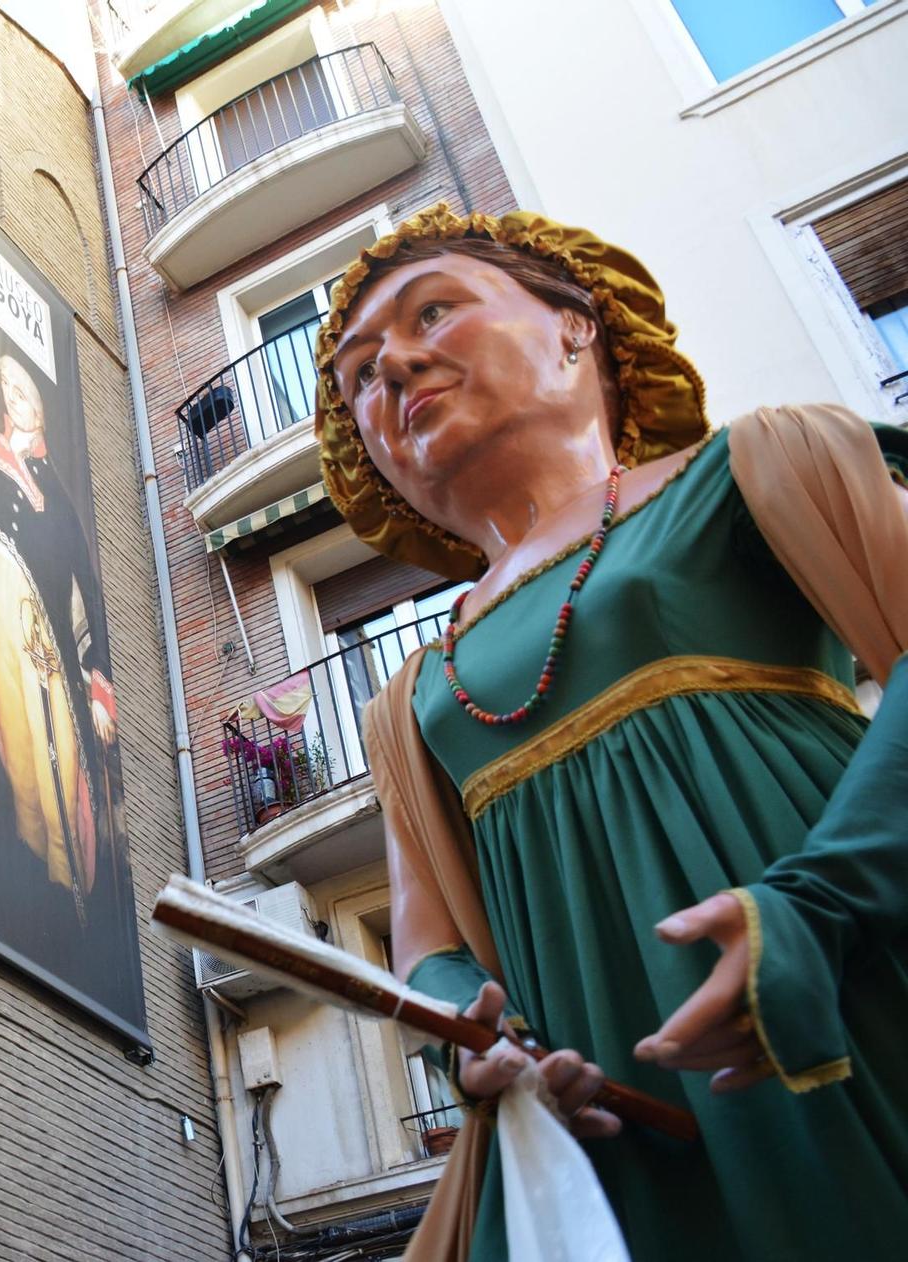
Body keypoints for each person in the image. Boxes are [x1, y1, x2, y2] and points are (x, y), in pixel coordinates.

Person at [314, 205, 908, 1259]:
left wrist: (819, 903)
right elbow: (427, 941)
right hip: (609, 1130)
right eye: (359, 372)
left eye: (432, 312)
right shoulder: (406, 696)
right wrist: (481, 1041)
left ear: (575, 324)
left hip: (843, 992)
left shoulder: (754, 468)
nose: (391, 369)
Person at [0, 353, 120, 922]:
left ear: (40, 410)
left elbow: (90, 591)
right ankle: (26, 855)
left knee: (58, 754)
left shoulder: (59, 495)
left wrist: (100, 689)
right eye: (8, 391)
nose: (14, 400)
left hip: (48, 648)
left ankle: (65, 880)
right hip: (3, 633)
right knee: (18, 745)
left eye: (23, 392)